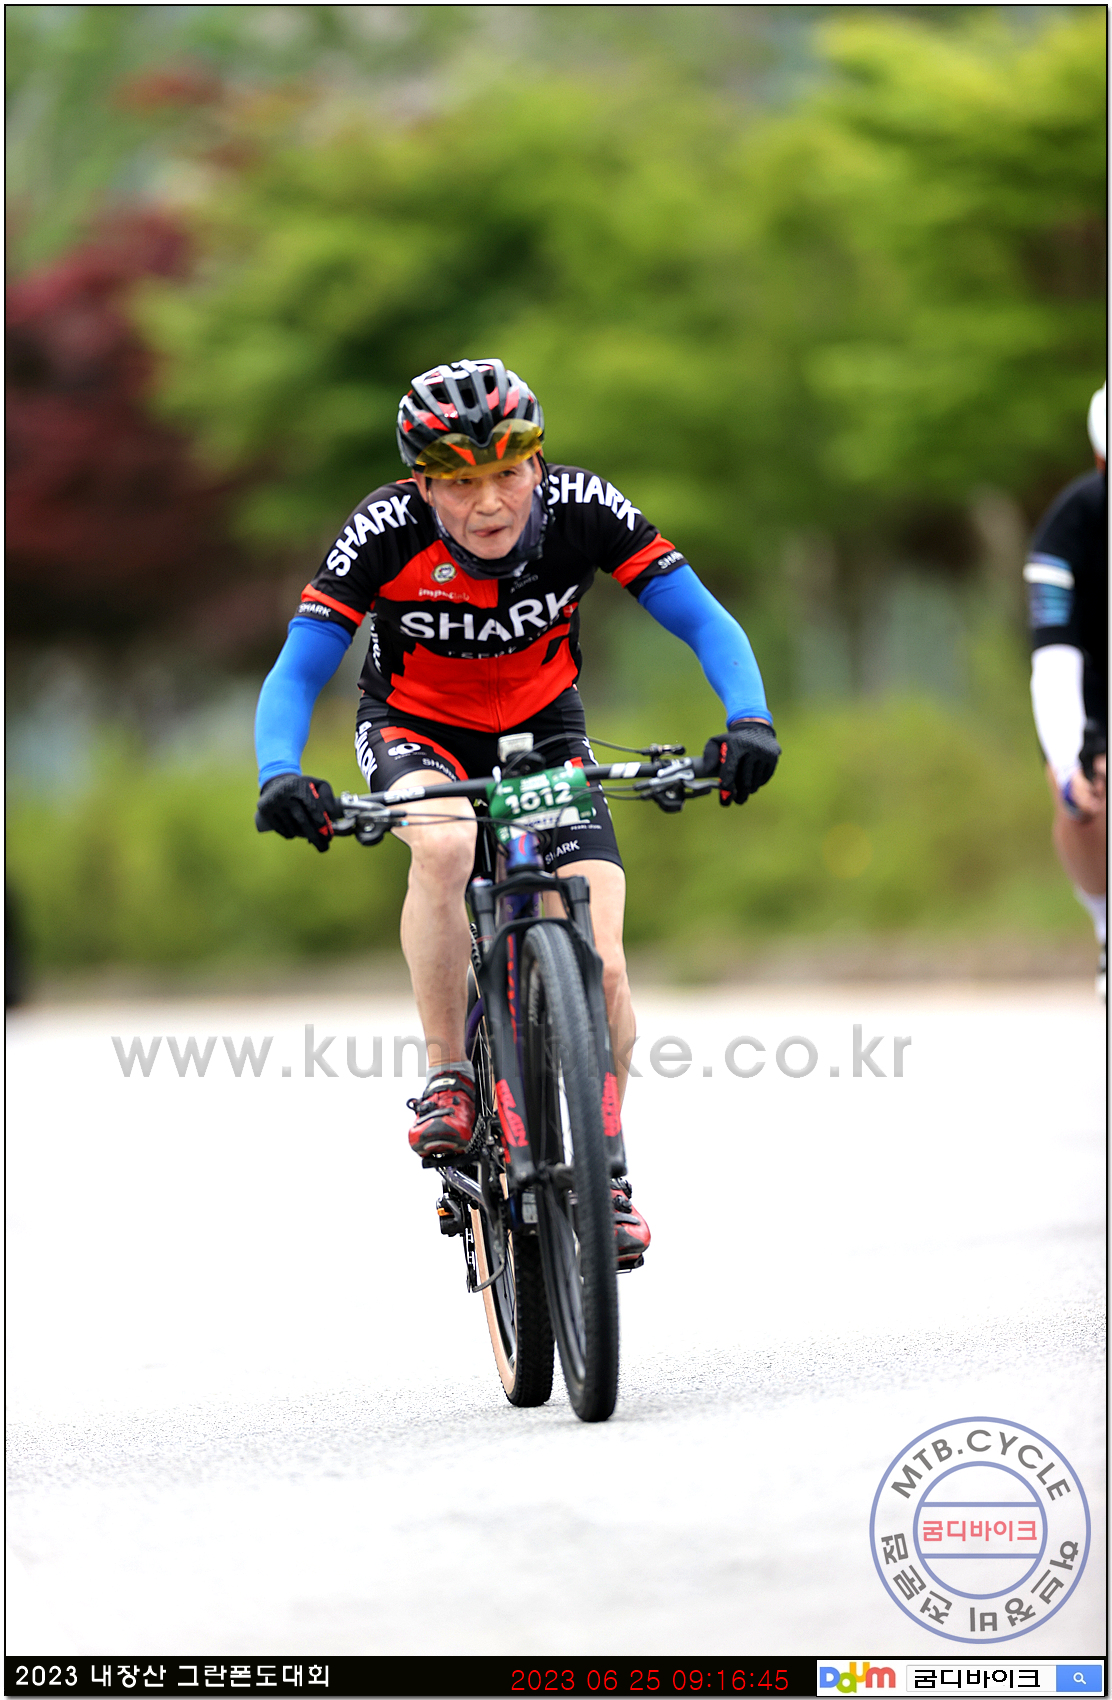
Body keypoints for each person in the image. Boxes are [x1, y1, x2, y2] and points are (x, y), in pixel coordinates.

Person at [254, 359, 780, 1262]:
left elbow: (703, 619)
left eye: (506, 473)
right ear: (423, 486)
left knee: (604, 967)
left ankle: (606, 1176)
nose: (489, 502)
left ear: (537, 463)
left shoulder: (583, 507)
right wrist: (279, 771)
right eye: (460, 483)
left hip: (546, 733)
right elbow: (300, 666)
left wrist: (750, 722)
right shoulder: (383, 529)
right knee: (446, 843)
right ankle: (449, 1074)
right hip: (414, 730)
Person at [1023, 382, 1107, 997]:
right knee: (1082, 792)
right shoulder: (1069, 526)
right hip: (1094, 683)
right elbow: (1053, 661)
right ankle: (1107, 923)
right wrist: (1069, 767)